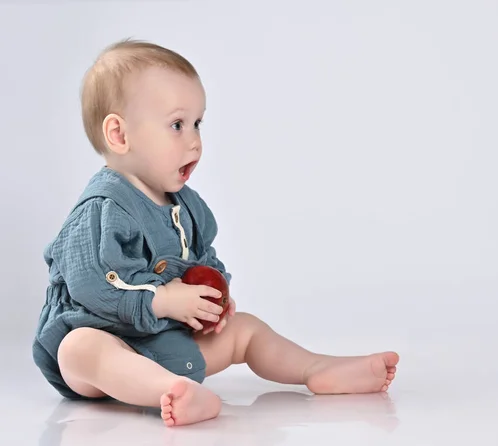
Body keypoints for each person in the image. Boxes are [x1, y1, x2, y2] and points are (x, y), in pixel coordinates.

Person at [31, 38, 399, 427]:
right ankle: (169, 391)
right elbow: (94, 286)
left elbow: (204, 258)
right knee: (79, 348)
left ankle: (315, 368)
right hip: (105, 350)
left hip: (163, 340)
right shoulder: (100, 210)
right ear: (120, 135)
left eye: (197, 124)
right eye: (177, 125)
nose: (194, 140)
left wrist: (214, 299)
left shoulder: (186, 205)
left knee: (247, 330)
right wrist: (165, 300)